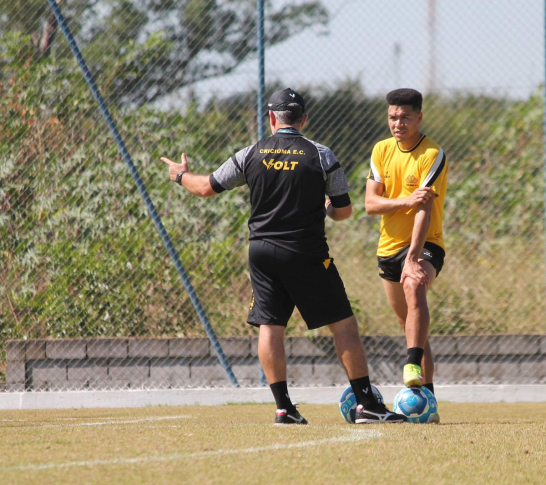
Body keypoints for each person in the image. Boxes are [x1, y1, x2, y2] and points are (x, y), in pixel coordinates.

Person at [161, 88, 405, 425]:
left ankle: (284, 409)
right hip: (305, 251)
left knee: (271, 325)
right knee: (344, 325)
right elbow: (345, 211)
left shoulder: (249, 153)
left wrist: (179, 175)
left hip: (261, 251)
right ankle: (367, 404)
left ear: (272, 119)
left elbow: (205, 188)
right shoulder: (321, 155)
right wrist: (326, 207)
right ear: (304, 120)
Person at [365, 88, 448, 396]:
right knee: (411, 326)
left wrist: (413, 256)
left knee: (415, 287)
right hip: (388, 248)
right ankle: (428, 397)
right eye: (392, 117)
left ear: (419, 117)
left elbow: (423, 209)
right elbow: (371, 205)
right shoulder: (381, 150)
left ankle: (411, 365)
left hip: (425, 242)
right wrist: (405, 200)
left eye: (404, 117)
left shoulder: (432, 154)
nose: (397, 123)